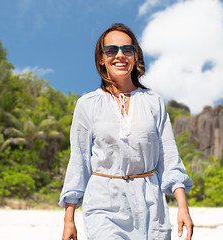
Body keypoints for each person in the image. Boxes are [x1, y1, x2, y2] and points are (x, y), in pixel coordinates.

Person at [59, 23, 194, 240]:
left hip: (151, 206)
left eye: (127, 50)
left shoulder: (154, 102)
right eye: (111, 50)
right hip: (103, 203)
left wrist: (182, 207)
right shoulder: (87, 104)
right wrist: (68, 220)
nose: (120, 55)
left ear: (135, 56)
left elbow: (169, 157)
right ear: (102, 58)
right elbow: (79, 162)